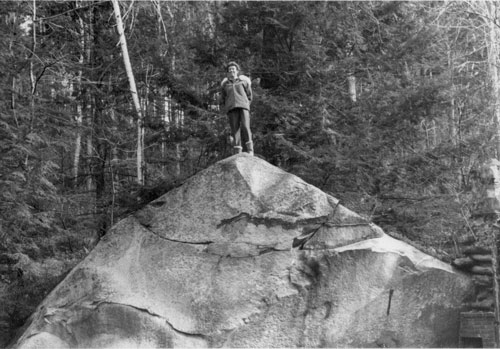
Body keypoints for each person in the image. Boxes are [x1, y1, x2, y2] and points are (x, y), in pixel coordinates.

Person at [220, 61, 253, 156]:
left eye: (233, 69)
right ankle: (238, 151)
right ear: (227, 73)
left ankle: (250, 150)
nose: (231, 71)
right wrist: (227, 106)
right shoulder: (225, 85)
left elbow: (249, 95)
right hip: (231, 108)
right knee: (235, 129)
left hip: (243, 107)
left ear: (237, 71)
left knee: (246, 127)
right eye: (229, 70)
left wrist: (246, 104)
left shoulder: (243, 81)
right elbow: (223, 98)